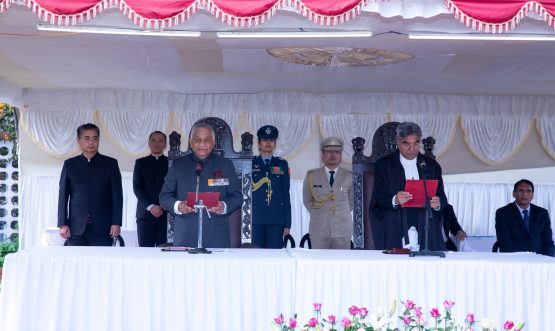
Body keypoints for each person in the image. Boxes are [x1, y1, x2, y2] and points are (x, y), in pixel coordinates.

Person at [159, 123, 242, 248]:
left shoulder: (225, 165)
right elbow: (164, 197)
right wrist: (179, 205)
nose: (202, 144)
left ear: (213, 142)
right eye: (197, 140)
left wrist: (223, 206)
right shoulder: (178, 165)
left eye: (206, 140)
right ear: (191, 142)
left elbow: (237, 197)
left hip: (217, 237)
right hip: (185, 236)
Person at [372, 122, 447, 251]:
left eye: (416, 143)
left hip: (425, 223)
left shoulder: (431, 166)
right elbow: (377, 197)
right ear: (397, 142)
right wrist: (395, 199)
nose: (412, 149)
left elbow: (442, 197)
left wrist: (438, 204)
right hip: (395, 222)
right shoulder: (384, 165)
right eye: (406, 143)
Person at [58, 123, 123, 246]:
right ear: (79, 140)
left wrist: (116, 222)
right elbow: (63, 196)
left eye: (95, 138)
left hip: (103, 227)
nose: (91, 142)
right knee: (76, 264)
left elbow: (117, 196)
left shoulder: (110, 164)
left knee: (101, 264)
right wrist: (62, 223)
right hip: (75, 228)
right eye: (86, 138)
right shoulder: (70, 164)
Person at [303, 137, 353, 249]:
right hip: (319, 230)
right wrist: (319, 213)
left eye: (336, 152)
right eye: (329, 152)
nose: (333, 155)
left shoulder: (349, 176)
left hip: (342, 230)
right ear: (323, 155)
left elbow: (352, 201)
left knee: (342, 264)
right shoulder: (312, 176)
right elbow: (307, 200)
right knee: (319, 264)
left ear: (341, 155)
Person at [251, 125, 292, 249]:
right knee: (255, 256)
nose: (268, 143)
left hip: (276, 220)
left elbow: (285, 194)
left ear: (275, 143)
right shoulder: (250, 162)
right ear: (258, 144)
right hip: (255, 219)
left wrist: (287, 223)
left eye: (271, 140)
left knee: (275, 258)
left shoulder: (282, 164)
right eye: (264, 140)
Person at [495, 179, 555, 256]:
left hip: (540, 259)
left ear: (532, 195)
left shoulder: (542, 213)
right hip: (514, 259)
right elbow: (505, 242)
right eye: (521, 190)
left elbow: (548, 241)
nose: (524, 194)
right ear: (514, 193)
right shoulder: (503, 213)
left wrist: (547, 260)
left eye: (528, 191)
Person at [133, 131, 169, 247]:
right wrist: (151, 207)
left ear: (165, 144)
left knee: (165, 252)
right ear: (148, 143)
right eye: (153, 140)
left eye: (160, 141)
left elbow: (174, 188)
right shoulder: (140, 163)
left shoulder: (171, 163)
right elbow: (137, 187)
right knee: (144, 252)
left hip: (166, 216)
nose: (156, 144)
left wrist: (163, 206)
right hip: (145, 215)